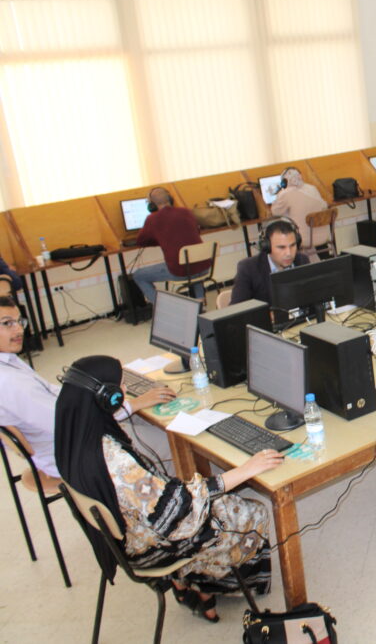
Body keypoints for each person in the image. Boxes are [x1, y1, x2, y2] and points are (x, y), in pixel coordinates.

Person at [55, 355, 282, 622]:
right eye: (121, 387)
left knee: (200, 488)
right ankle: (210, 585)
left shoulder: (72, 435)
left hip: (126, 540)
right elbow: (177, 510)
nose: (124, 390)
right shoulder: (114, 460)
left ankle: (190, 586)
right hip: (152, 548)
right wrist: (244, 470)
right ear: (107, 397)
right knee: (251, 511)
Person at [0, 297, 175, 483]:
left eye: (19, 321)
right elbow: (73, 424)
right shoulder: (9, 381)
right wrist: (131, 404)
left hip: (67, 442)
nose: (19, 329)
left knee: (152, 421)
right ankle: (181, 494)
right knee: (173, 444)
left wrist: (93, 395)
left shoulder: (9, 361)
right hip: (79, 452)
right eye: (7, 323)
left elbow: (53, 392)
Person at [134, 187, 210, 303]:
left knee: (138, 275)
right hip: (204, 267)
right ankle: (200, 302)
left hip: (180, 271)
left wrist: (160, 238)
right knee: (192, 261)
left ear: (151, 205)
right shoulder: (186, 212)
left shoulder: (152, 219)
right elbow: (196, 231)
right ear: (170, 199)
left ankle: (162, 308)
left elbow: (140, 241)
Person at [230, 218, 309, 322]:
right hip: (269, 328)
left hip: (301, 322)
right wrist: (265, 316)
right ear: (266, 246)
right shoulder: (248, 268)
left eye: (292, 245)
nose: (289, 253)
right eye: (281, 247)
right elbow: (236, 310)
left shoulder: (302, 260)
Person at [269, 167, 328, 261]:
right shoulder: (312, 188)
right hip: (323, 236)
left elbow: (275, 212)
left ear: (284, 181)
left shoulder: (285, 194)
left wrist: (279, 194)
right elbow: (324, 205)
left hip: (303, 239)